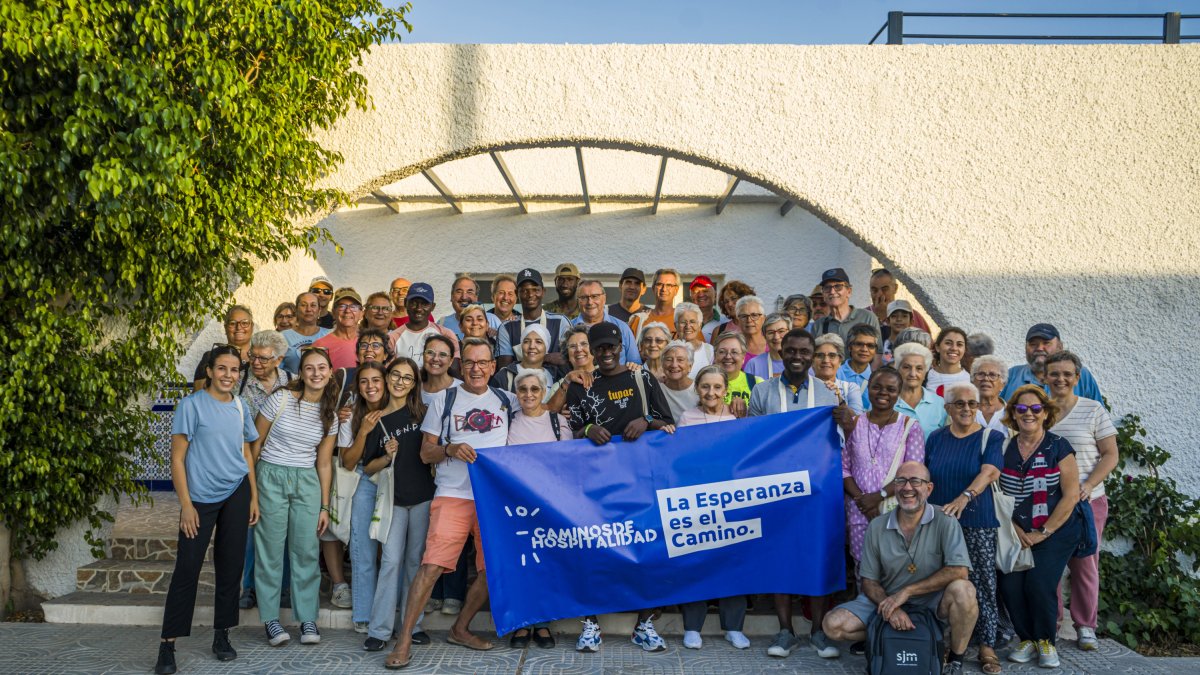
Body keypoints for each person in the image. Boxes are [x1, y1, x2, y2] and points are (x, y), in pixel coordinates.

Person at [385, 339, 518, 669]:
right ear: (461, 366)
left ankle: (461, 628)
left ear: (493, 367)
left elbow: (540, 415)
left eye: (482, 362)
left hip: (492, 498)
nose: (476, 368)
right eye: (469, 362)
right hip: (453, 494)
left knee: (492, 569)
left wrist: (572, 381)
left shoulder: (507, 400)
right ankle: (404, 640)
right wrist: (450, 449)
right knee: (431, 566)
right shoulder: (445, 399)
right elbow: (425, 452)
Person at [565, 321, 676, 653]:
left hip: (641, 481)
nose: (606, 353)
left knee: (644, 553)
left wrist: (647, 421)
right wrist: (588, 430)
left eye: (611, 347)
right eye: (599, 348)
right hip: (596, 483)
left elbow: (669, 423)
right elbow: (571, 430)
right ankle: (590, 624)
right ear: (592, 351)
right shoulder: (582, 385)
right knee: (594, 552)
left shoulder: (642, 378)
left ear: (621, 347)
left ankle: (643, 625)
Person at [747, 328, 853, 661]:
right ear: (781, 352)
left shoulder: (828, 394)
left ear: (812, 356)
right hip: (774, 490)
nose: (797, 356)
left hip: (816, 492)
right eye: (790, 350)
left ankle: (818, 631)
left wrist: (847, 420)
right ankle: (785, 630)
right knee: (780, 556)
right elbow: (752, 440)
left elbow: (840, 442)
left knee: (817, 557)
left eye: (804, 352)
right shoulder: (762, 391)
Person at [154, 345, 259, 675]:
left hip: (237, 492)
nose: (229, 375)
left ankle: (222, 635)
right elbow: (177, 459)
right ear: (210, 371)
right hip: (199, 498)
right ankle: (168, 645)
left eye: (234, 370)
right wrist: (186, 505)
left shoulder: (240, 406)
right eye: (222, 368)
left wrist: (253, 497)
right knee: (187, 568)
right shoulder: (191, 405)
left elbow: (246, 453)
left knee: (230, 566)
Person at [823, 461, 978, 675]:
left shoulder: (945, 520)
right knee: (833, 625)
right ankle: (890, 637)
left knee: (965, 590)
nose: (907, 488)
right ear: (894, 487)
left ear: (929, 488)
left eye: (915, 481)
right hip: (887, 599)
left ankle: (954, 660)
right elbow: (869, 581)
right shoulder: (877, 526)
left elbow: (959, 571)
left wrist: (907, 592)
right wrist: (892, 609)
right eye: (901, 481)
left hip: (932, 603)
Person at [251, 346, 338, 647]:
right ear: (301, 372)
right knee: (270, 551)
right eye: (309, 367)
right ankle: (271, 619)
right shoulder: (281, 399)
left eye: (322, 367)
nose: (316, 373)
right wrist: (252, 492)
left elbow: (324, 463)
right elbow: (255, 445)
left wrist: (324, 505)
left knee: (306, 551)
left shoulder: (330, 414)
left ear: (330, 373)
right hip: (271, 476)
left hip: (307, 482)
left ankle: (307, 618)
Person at [998, 385, 1082, 669]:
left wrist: (1043, 532)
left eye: (1036, 408)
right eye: (1021, 408)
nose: (1029, 414)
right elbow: (998, 494)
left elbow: (1071, 496)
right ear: (1013, 413)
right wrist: (1015, 529)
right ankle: (1027, 639)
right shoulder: (1004, 447)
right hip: (1016, 531)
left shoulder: (1059, 447)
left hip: (1056, 530)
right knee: (1010, 586)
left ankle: (1046, 641)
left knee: (1039, 583)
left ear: (1045, 413)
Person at [354, 358, 435, 653]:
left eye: (407, 378)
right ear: (387, 378)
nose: (400, 382)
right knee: (390, 562)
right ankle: (379, 630)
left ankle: (412, 626)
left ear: (414, 384)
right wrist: (387, 457)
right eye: (396, 376)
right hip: (394, 501)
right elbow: (368, 467)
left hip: (424, 497)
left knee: (415, 564)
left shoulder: (423, 413)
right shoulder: (376, 420)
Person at [925, 382, 1005, 675]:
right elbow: (926, 475)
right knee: (942, 582)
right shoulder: (936, 438)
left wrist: (965, 497)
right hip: (939, 523)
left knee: (983, 583)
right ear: (948, 408)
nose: (967, 409)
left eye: (973, 403)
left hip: (976, 520)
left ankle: (986, 644)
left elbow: (990, 471)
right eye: (960, 403)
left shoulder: (990, 437)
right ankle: (949, 641)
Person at [1045, 351, 1118, 651]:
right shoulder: (1039, 410)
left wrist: (1087, 485)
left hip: (1088, 501)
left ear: (1077, 378)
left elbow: (1110, 455)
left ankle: (1085, 626)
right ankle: (1050, 623)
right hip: (1049, 502)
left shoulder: (1092, 409)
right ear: (1045, 377)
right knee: (1048, 565)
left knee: (1085, 564)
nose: (1060, 379)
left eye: (1067, 374)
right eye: (1054, 373)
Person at [675, 365, 750, 651]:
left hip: (732, 501)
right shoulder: (687, 417)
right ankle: (692, 628)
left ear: (726, 390)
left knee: (733, 563)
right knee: (696, 563)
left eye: (717, 387)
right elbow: (681, 459)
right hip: (697, 501)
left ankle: (734, 627)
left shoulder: (736, 416)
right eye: (705, 386)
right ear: (697, 388)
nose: (711, 392)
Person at [503, 369, 570, 650]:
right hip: (516, 505)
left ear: (544, 392)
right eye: (523, 389)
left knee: (546, 564)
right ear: (516, 393)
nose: (529, 394)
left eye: (535, 389)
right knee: (521, 564)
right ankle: (522, 621)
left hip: (548, 504)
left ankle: (542, 622)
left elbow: (567, 462)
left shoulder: (558, 421)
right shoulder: (508, 421)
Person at [842, 366, 926, 563]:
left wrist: (877, 497)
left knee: (894, 565)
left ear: (899, 393)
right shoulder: (853, 424)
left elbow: (913, 473)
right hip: (859, 509)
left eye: (891, 389)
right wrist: (863, 501)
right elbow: (843, 468)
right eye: (877, 387)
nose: (883, 393)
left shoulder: (909, 426)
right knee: (863, 564)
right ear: (868, 388)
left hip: (895, 507)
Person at [237, 330, 293, 611]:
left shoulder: (293, 382)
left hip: (285, 464)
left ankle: (284, 586)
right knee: (252, 526)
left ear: (279, 359)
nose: (256, 363)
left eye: (263, 358)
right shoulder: (239, 381)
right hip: (248, 462)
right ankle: (249, 586)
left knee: (285, 529)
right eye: (253, 356)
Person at [333, 362, 389, 629]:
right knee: (362, 547)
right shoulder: (352, 414)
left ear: (385, 382)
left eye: (376, 380)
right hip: (363, 479)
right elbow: (347, 461)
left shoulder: (397, 407)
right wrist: (364, 432)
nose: (371, 386)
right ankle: (364, 615)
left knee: (392, 551)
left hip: (393, 478)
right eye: (364, 381)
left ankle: (391, 610)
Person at [1000, 324, 1102, 402]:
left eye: (1046, 343)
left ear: (1060, 347)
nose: (1039, 348)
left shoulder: (1080, 374)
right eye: (1033, 344)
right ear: (1025, 348)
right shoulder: (1011, 375)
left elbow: (1099, 416)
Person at [497, 268, 569, 373]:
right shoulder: (507, 327)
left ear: (543, 292)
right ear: (517, 294)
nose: (530, 295)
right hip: (519, 383)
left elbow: (570, 360)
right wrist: (546, 357)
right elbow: (505, 370)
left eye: (535, 290)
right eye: (524, 290)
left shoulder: (560, 322)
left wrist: (524, 358)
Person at [387, 283, 460, 369]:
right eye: (414, 303)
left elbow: (454, 370)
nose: (418, 308)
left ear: (433, 306)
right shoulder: (393, 338)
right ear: (406, 303)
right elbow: (390, 371)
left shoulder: (446, 334)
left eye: (425, 304)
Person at [572, 279, 640, 366]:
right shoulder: (569, 327)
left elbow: (635, 364)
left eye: (595, 296)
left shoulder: (622, 327)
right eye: (584, 297)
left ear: (604, 298)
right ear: (578, 301)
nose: (590, 302)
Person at [812, 268, 881, 348]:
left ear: (849, 291)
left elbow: (878, 352)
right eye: (827, 287)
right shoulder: (818, 325)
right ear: (823, 294)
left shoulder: (867, 318)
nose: (832, 292)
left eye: (838, 286)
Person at [193, 305, 253, 391]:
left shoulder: (261, 359)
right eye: (232, 323)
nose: (239, 327)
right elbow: (199, 392)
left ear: (252, 326)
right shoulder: (211, 356)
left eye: (244, 323)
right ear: (225, 327)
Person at [894, 343, 947, 440]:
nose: (913, 374)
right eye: (906, 367)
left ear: (925, 372)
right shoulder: (886, 402)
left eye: (919, 368)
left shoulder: (940, 404)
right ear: (897, 369)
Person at [492, 323, 556, 393]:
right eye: (526, 341)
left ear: (546, 347)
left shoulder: (554, 375)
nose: (532, 346)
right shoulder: (504, 377)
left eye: (538, 342)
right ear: (521, 346)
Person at [811, 333, 864, 414]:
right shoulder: (803, 388)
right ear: (812, 361)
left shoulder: (850, 389)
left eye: (832, 356)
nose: (826, 360)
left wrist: (839, 399)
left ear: (840, 361)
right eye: (820, 355)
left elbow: (858, 420)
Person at [545, 325, 593, 413]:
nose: (579, 349)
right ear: (567, 354)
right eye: (573, 346)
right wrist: (559, 416)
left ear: (593, 348)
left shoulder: (606, 373)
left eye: (584, 344)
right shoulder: (559, 386)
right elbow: (546, 414)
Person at [312, 288, 362, 370]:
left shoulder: (370, 344)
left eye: (353, 307)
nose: (347, 310)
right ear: (333, 312)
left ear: (361, 314)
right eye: (342, 306)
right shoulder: (319, 346)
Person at [282, 293, 331, 374]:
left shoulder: (329, 335)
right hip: (291, 382)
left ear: (319, 310)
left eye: (313, 305)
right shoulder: (283, 337)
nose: (308, 309)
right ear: (296, 310)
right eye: (303, 305)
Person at [713, 332, 761, 416]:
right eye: (722, 352)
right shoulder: (704, 384)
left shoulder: (757, 383)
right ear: (715, 356)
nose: (728, 356)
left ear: (743, 357)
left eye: (734, 352)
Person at [441, 275, 501, 340]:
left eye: (469, 292)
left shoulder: (493, 320)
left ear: (476, 298)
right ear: (452, 297)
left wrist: (496, 336)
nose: (464, 297)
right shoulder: (442, 323)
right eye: (459, 292)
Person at [838, 324, 879, 412]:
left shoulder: (877, 380)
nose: (864, 349)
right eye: (859, 344)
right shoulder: (836, 374)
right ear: (849, 347)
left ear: (875, 350)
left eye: (870, 345)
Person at [629, 268, 681, 337]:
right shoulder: (639, 320)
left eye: (669, 285)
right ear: (653, 288)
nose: (664, 289)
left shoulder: (683, 320)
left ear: (676, 290)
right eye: (659, 284)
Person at [660, 340, 699, 420]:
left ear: (690, 366)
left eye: (680, 360)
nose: (674, 365)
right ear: (662, 365)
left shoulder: (701, 389)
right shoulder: (656, 390)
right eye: (669, 359)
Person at [926, 327, 971, 398]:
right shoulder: (924, 376)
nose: (954, 348)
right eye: (948, 343)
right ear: (937, 347)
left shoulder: (971, 379)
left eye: (959, 344)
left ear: (964, 349)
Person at [673, 302, 714, 377]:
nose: (688, 326)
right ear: (676, 325)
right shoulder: (667, 351)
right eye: (683, 322)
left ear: (699, 325)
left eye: (692, 322)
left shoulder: (709, 351)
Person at [972, 355, 1009, 434]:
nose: (986, 378)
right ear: (972, 381)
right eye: (981, 374)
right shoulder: (959, 411)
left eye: (992, 375)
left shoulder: (1013, 414)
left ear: (1002, 385)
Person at [732, 295, 769, 362]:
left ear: (763, 319)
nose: (749, 320)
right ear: (738, 320)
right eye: (744, 316)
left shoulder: (773, 343)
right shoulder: (732, 346)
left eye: (754, 315)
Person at [688, 275, 722, 341]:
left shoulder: (726, 322)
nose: (700, 295)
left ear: (715, 295)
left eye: (705, 291)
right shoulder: (682, 323)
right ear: (691, 297)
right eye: (696, 292)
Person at [882, 299, 914, 365]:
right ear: (887, 321)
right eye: (894, 316)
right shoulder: (881, 344)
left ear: (911, 322)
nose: (899, 319)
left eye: (904, 316)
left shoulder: (916, 346)